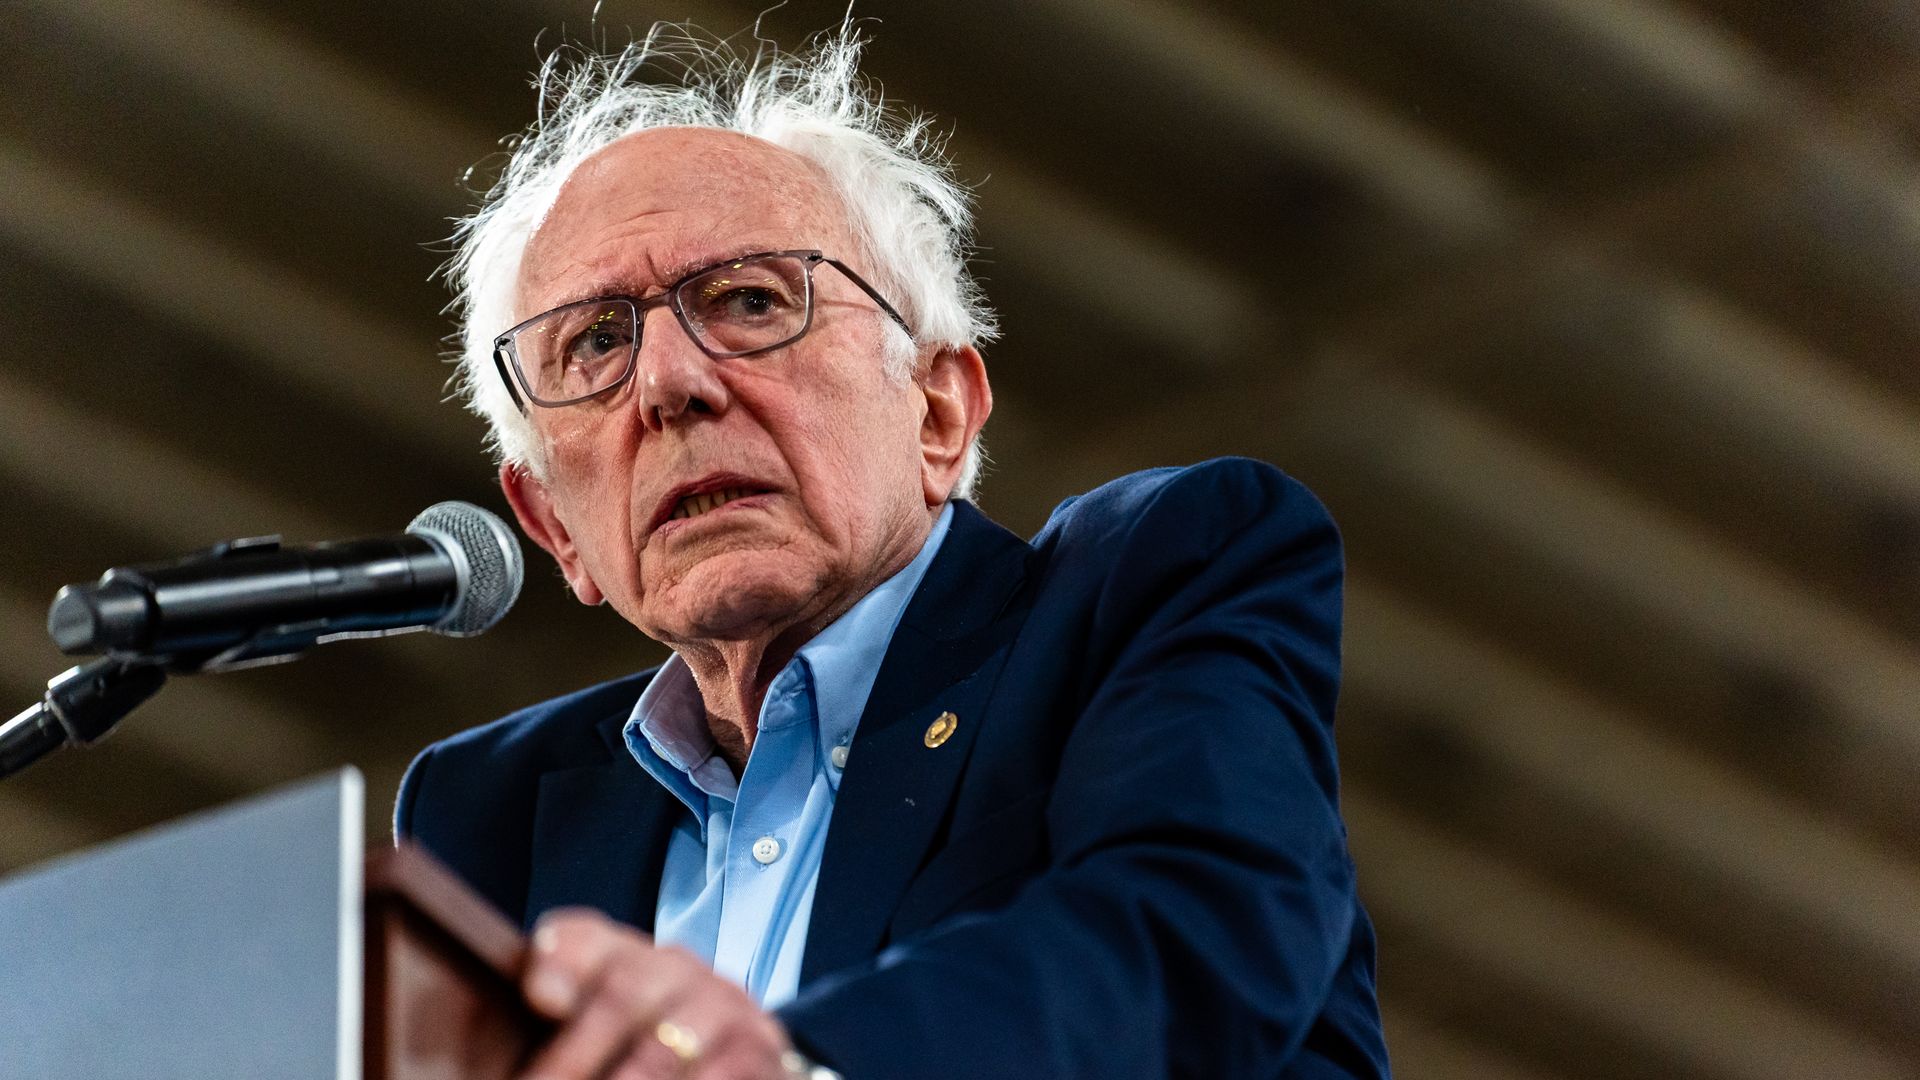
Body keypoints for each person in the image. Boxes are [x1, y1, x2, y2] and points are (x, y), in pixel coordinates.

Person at [397, 27, 1389, 1080]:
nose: (667, 383)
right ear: (553, 526)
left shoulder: (1153, 583)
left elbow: (1196, 932)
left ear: (937, 410)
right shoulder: (485, 820)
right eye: (596, 341)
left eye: (748, 300)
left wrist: (792, 1066)